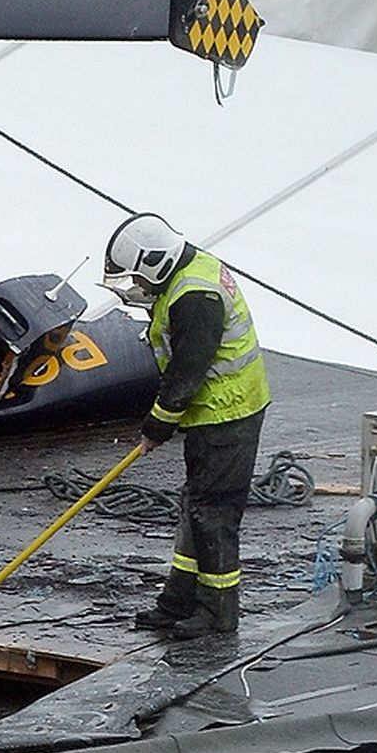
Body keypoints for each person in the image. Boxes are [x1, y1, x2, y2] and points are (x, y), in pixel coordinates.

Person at [102, 212, 271, 638]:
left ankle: (216, 614)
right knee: (195, 508)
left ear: (155, 263)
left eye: (136, 280)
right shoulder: (188, 274)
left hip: (229, 413)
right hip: (214, 412)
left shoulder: (195, 296)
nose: (135, 290)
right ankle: (178, 600)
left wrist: (157, 425)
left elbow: (187, 372)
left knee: (213, 513)